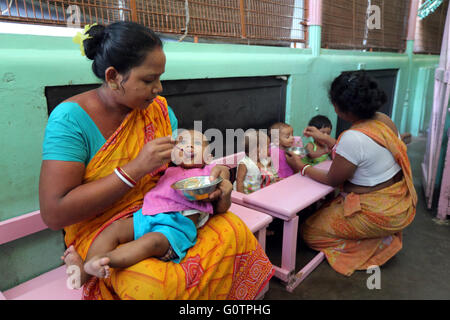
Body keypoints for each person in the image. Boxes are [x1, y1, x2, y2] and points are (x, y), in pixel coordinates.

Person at [39, 22, 273, 299]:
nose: (158, 89)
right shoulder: (70, 120)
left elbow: (177, 169)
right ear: (114, 76)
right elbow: (54, 214)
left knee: (234, 231)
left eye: (160, 78)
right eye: (148, 80)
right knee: (154, 285)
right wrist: (133, 171)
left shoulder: (157, 110)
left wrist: (212, 180)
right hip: (103, 228)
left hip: (163, 210)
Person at [285, 71, 417, 276]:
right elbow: (364, 152)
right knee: (324, 210)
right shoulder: (383, 120)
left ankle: (375, 243)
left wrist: (301, 167)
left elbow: (333, 179)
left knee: (309, 231)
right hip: (398, 201)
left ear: (342, 109)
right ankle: (374, 233)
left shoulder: (352, 138)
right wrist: (328, 140)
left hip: (379, 212)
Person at [62, 129, 232, 285]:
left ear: (209, 156)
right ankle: (83, 274)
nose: (188, 147)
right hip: (147, 215)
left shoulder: (209, 172)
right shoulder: (169, 170)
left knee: (151, 242)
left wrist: (222, 174)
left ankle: (104, 260)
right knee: (114, 229)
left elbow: (221, 173)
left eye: (195, 143)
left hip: (174, 227)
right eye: (182, 143)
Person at [235, 130, 279, 194]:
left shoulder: (264, 161)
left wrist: (275, 180)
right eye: (267, 147)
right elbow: (239, 182)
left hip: (261, 193)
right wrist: (241, 197)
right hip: (248, 196)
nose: (269, 150)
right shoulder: (244, 164)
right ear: (256, 150)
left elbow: (269, 175)